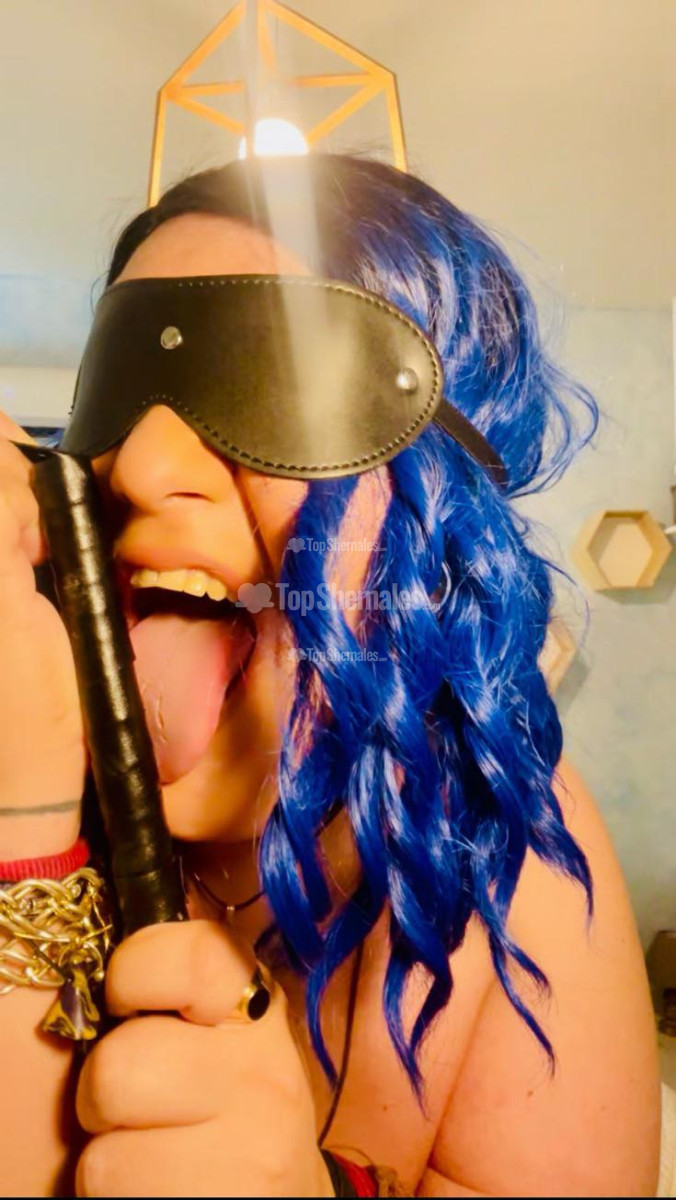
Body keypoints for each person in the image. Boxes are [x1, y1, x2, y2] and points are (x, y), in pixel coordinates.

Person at [0, 154, 661, 1198]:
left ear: (436, 517)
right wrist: (26, 828)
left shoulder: (507, 852)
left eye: (276, 385)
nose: (141, 467)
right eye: (119, 390)